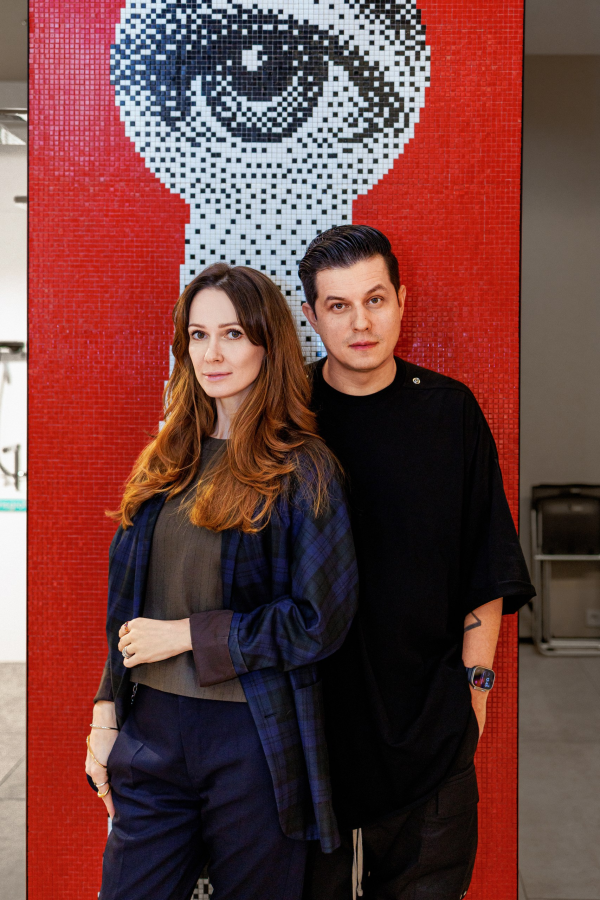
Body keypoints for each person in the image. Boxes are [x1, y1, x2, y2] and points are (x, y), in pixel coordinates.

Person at [85, 264, 358, 900]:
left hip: (252, 739)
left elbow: (320, 622)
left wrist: (188, 635)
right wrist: (105, 714)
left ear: (268, 343)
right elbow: (127, 608)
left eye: (232, 334)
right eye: (198, 335)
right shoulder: (166, 457)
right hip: (151, 730)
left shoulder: (303, 470)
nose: (212, 354)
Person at [298, 225, 536, 900]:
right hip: (308, 743)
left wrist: (474, 694)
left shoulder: (449, 411)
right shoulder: (284, 417)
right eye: (339, 305)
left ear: (401, 300)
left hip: (432, 737)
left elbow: (486, 564)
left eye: (375, 299)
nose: (361, 322)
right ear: (311, 315)